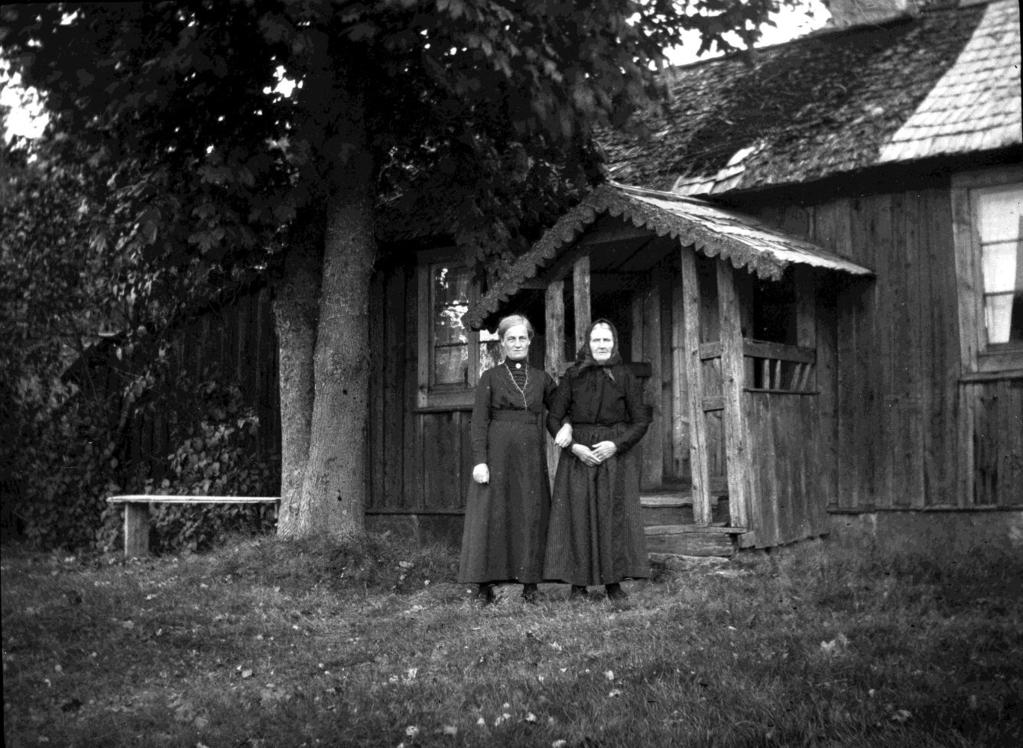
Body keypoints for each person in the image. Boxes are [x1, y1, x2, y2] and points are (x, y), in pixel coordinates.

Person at [457, 314, 566, 605]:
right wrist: (480, 461)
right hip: (497, 454)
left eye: (522, 338)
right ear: (502, 344)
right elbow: (479, 422)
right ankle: (484, 585)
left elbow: (556, 413)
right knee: (492, 514)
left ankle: (530, 583)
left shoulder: (542, 379)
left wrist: (565, 426)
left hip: (530, 455)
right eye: (511, 339)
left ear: (530, 341)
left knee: (530, 512)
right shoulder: (490, 378)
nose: (517, 344)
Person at [543, 318, 651, 601]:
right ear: (587, 344)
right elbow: (553, 417)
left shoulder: (625, 376)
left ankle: (612, 583)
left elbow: (640, 420)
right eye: (596, 340)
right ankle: (577, 585)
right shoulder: (573, 376)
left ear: (614, 344)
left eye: (607, 340)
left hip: (612, 455)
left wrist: (616, 445)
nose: (601, 345)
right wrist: (573, 446)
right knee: (577, 516)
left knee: (611, 518)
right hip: (579, 456)